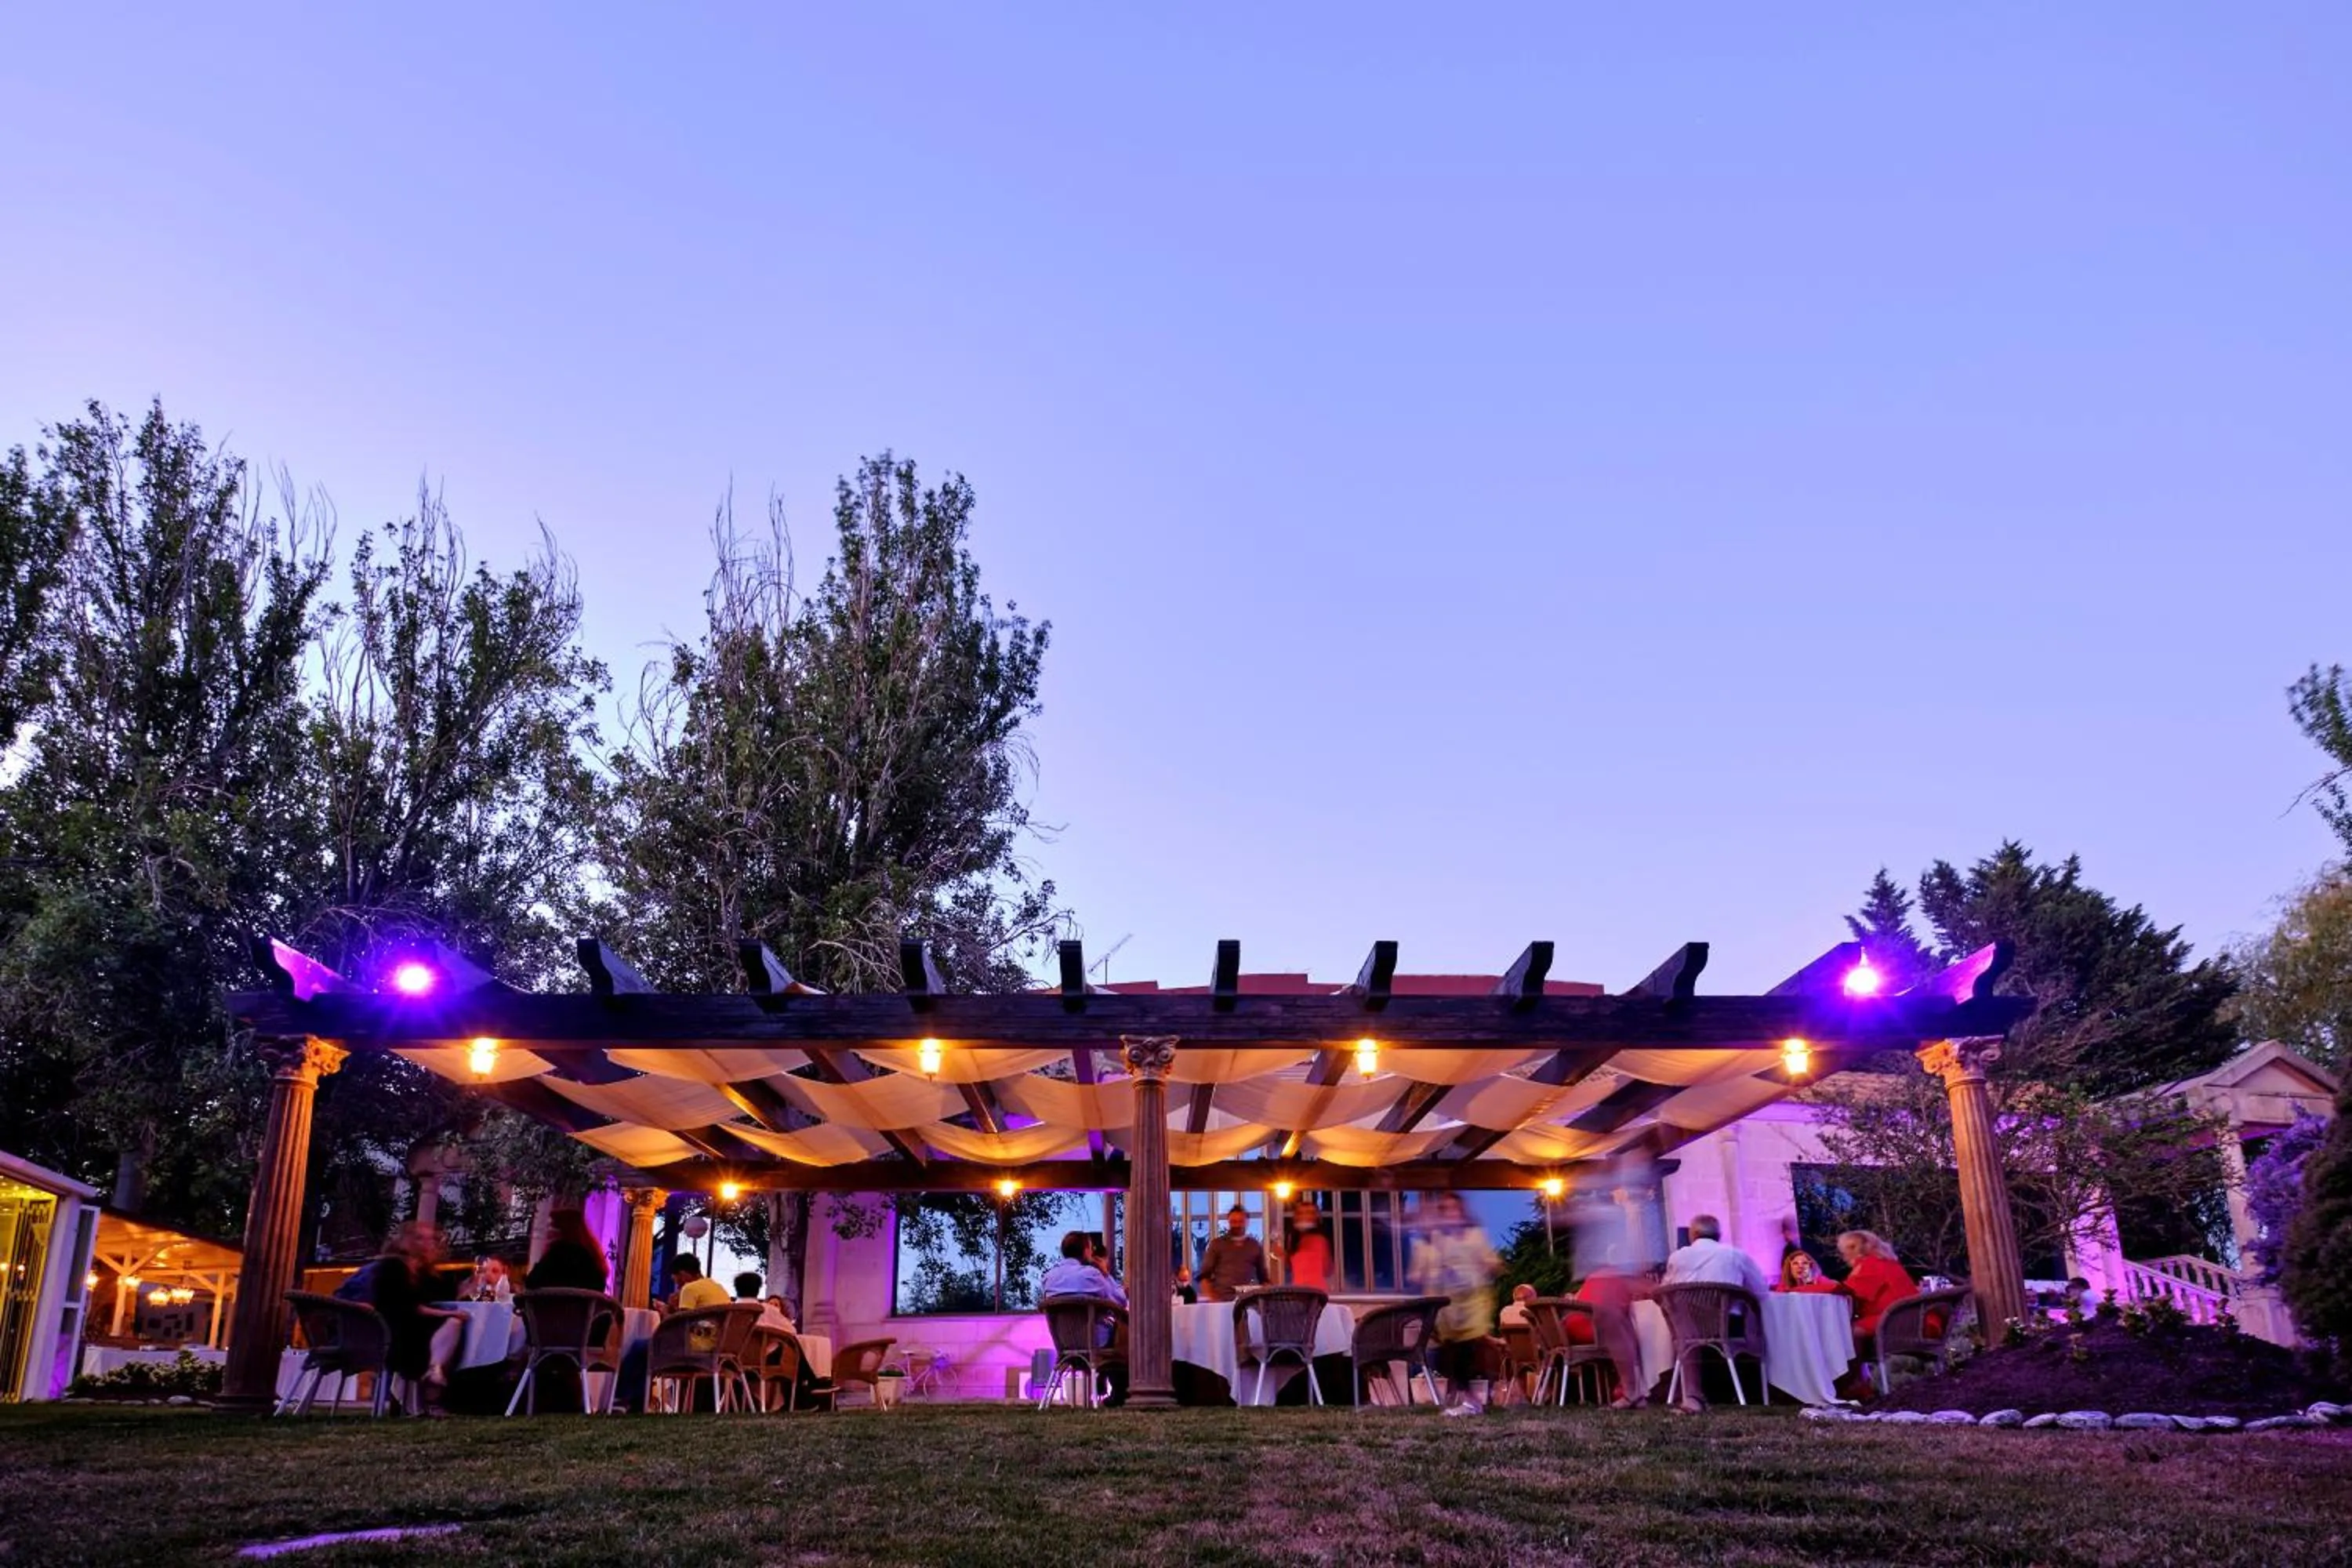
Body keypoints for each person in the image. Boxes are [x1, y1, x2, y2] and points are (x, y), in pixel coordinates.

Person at [350, 1223, 465, 1412]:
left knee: (452, 1328)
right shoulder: (394, 1269)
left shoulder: (420, 1273)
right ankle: (431, 1381)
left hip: (405, 1329)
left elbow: (430, 1301)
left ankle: (428, 1383)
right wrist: (450, 1313)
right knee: (453, 1326)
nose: (430, 1243)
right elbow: (410, 1307)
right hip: (393, 1334)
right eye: (422, 1239)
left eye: (431, 1239)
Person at [1407, 1193, 1501, 1417]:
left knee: (1467, 1349)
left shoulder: (1475, 1235)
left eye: (1454, 1209)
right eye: (1446, 1210)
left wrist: (1490, 1265)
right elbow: (1426, 1271)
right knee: (1451, 1353)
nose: (1451, 1214)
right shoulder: (1439, 1239)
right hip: (1450, 1307)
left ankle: (1472, 1400)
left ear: (1462, 1211)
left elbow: (1490, 1261)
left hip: (1473, 1302)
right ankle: (1470, 1398)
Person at [1040, 1229, 1129, 1406]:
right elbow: (1120, 1300)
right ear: (1086, 1250)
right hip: (1094, 1339)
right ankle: (1121, 1391)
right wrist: (1105, 1273)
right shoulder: (1092, 1275)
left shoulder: (1048, 1278)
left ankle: (1110, 1386)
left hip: (1064, 1342)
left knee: (1118, 1330)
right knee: (1126, 1329)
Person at [1661, 1215, 1774, 1298]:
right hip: (1730, 1324)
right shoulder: (1736, 1255)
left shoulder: (1677, 1258)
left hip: (1687, 1326)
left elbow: (1664, 1292)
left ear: (1692, 1235)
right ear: (1719, 1235)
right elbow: (1762, 1292)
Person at [1835, 1230, 1920, 1338]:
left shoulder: (1871, 1264)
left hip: (1899, 1320)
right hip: (1915, 1318)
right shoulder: (1887, 1263)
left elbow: (1845, 1291)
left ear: (1854, 1248)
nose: (1843, 1258)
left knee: (1840, 1332)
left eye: (1843, 1252)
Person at [524, 1209, 608, 1293]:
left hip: (554, 1305)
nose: (548, 1232)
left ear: (563, 1229)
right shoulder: (594, 1259)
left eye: (552, 1226)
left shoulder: (557, 1253)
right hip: (583, 1305)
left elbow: (531, 1282)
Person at [1196, 1205, 1267, 1302]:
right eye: (1234, 1222)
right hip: (1221, 1301)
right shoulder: (1217, 1244)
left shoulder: (1255, 1246)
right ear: (1228, 1222)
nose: (1237, 1225)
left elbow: (1264, 1278)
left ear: (1247, 1222)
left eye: (1240, 1222)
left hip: (1248, 1301)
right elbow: (1204, 1276)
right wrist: (1211, 1297)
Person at [1270, 1198, 1334, 1292]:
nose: (1306, 1216)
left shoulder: (1321, 1239)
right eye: (1301, 1213)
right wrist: (1283, 1255)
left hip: (1316, 1292)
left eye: (1310, 1213)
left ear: (1317, 1216)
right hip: (1299, 1290)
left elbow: (1328, 1270)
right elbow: (1293, 1266)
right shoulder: (1294, 1239)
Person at [1776, 1250, 1842, 1294]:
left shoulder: (1820, 1280)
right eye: (1795, 1263)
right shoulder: (1784, 1285)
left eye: (1805, 1263)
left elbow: (1836, 1287)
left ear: (1811, 1267)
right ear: (1789, 1268)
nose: (1800, 1266)